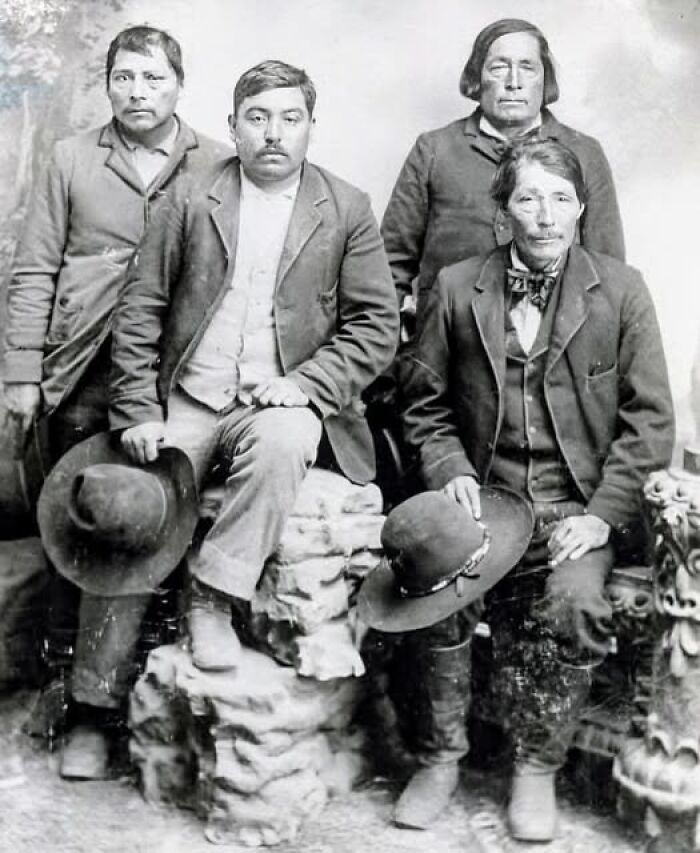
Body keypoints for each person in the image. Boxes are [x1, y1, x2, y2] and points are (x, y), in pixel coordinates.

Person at [388, 139, 674, 841]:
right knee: (431, 586)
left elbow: (651, 418)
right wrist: (449, 468)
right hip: (484, 496)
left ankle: (537, 766)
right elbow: (422, 405)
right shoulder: (457, 286)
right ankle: (439, 756)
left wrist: (606, 516)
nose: (544, 216)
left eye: (560, 199)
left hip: (576, 506)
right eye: (527, 198)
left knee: (576, 602)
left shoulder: (623, 287)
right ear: (502, 210)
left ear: (581, 208)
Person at [109, 61, 398, 673]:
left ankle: (212, 601)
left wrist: (306, 384)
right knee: (131, 504)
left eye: (290, 119)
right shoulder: (189, 196)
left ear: (311, 127)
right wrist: (137, 407)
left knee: (288, 438)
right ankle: (92, 701)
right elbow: (140, 310)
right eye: (257, 118)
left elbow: (377, 326)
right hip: (189, 397)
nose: (273, 133)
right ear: (232, 126)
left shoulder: (345, 208)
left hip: (275, 403)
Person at [1, 24, 229, 758]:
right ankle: (78, 704)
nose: (138, 92)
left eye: (153, 78)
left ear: (179, 85)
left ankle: (110, 704)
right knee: (82, 526)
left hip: (172, 376)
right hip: (80, 367)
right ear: (108, 84)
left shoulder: (216, 165)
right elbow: (35, 268)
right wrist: (23, 373)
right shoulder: (72, 158)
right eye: (124, 77)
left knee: (149, 527)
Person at [381, 18, 625, 338]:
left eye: (527, 67)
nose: (513, 82)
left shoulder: (584, 152)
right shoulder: (434, 149)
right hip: (447, 348)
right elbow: (389, 264)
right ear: (477, 78)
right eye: (499, 67)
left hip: (553, 348)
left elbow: (607, 270)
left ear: (545, 79)